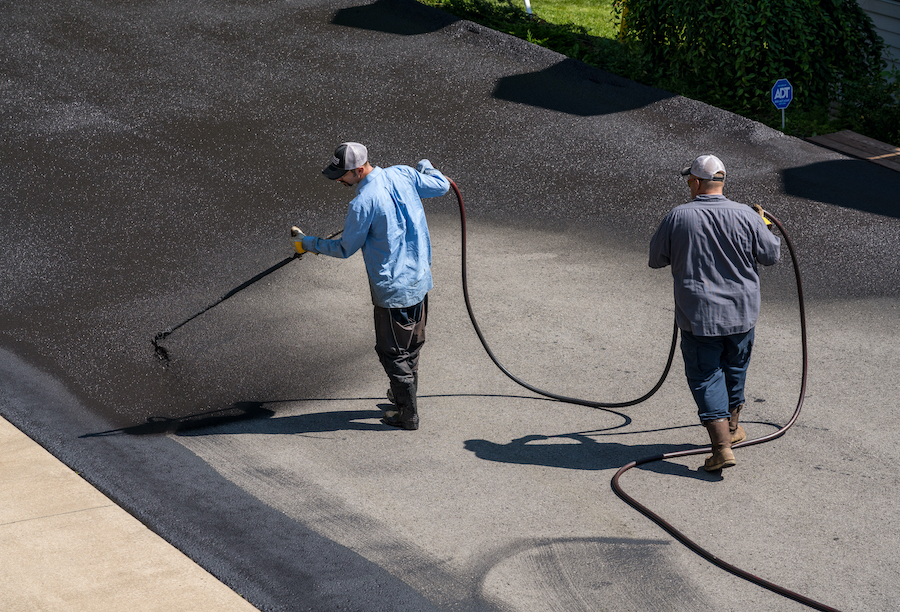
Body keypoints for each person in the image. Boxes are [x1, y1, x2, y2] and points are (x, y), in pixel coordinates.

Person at [291, 142, 450, 430]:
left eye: (342, 175)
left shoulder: (363, 202)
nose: (338, 179)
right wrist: (425, 165)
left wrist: (307, 243)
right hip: (420, 279)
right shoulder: (403, 174)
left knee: (393, 352)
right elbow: (441, 185)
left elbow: (344, 248)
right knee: (411, 344)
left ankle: (407, 413)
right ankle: (403, 393)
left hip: (393, 290)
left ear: (359, 169)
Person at [648, 154, 780, 471]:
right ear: (721, 182)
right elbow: (771, 255)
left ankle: (721, 447)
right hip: (742, 314)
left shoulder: (678, 217)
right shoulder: (747, 217)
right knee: (734, 369)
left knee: (706, 376)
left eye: (688, 181)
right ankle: (732, 430)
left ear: (695, 182)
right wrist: (763, 225)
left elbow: (656, 259)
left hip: (699, 316)